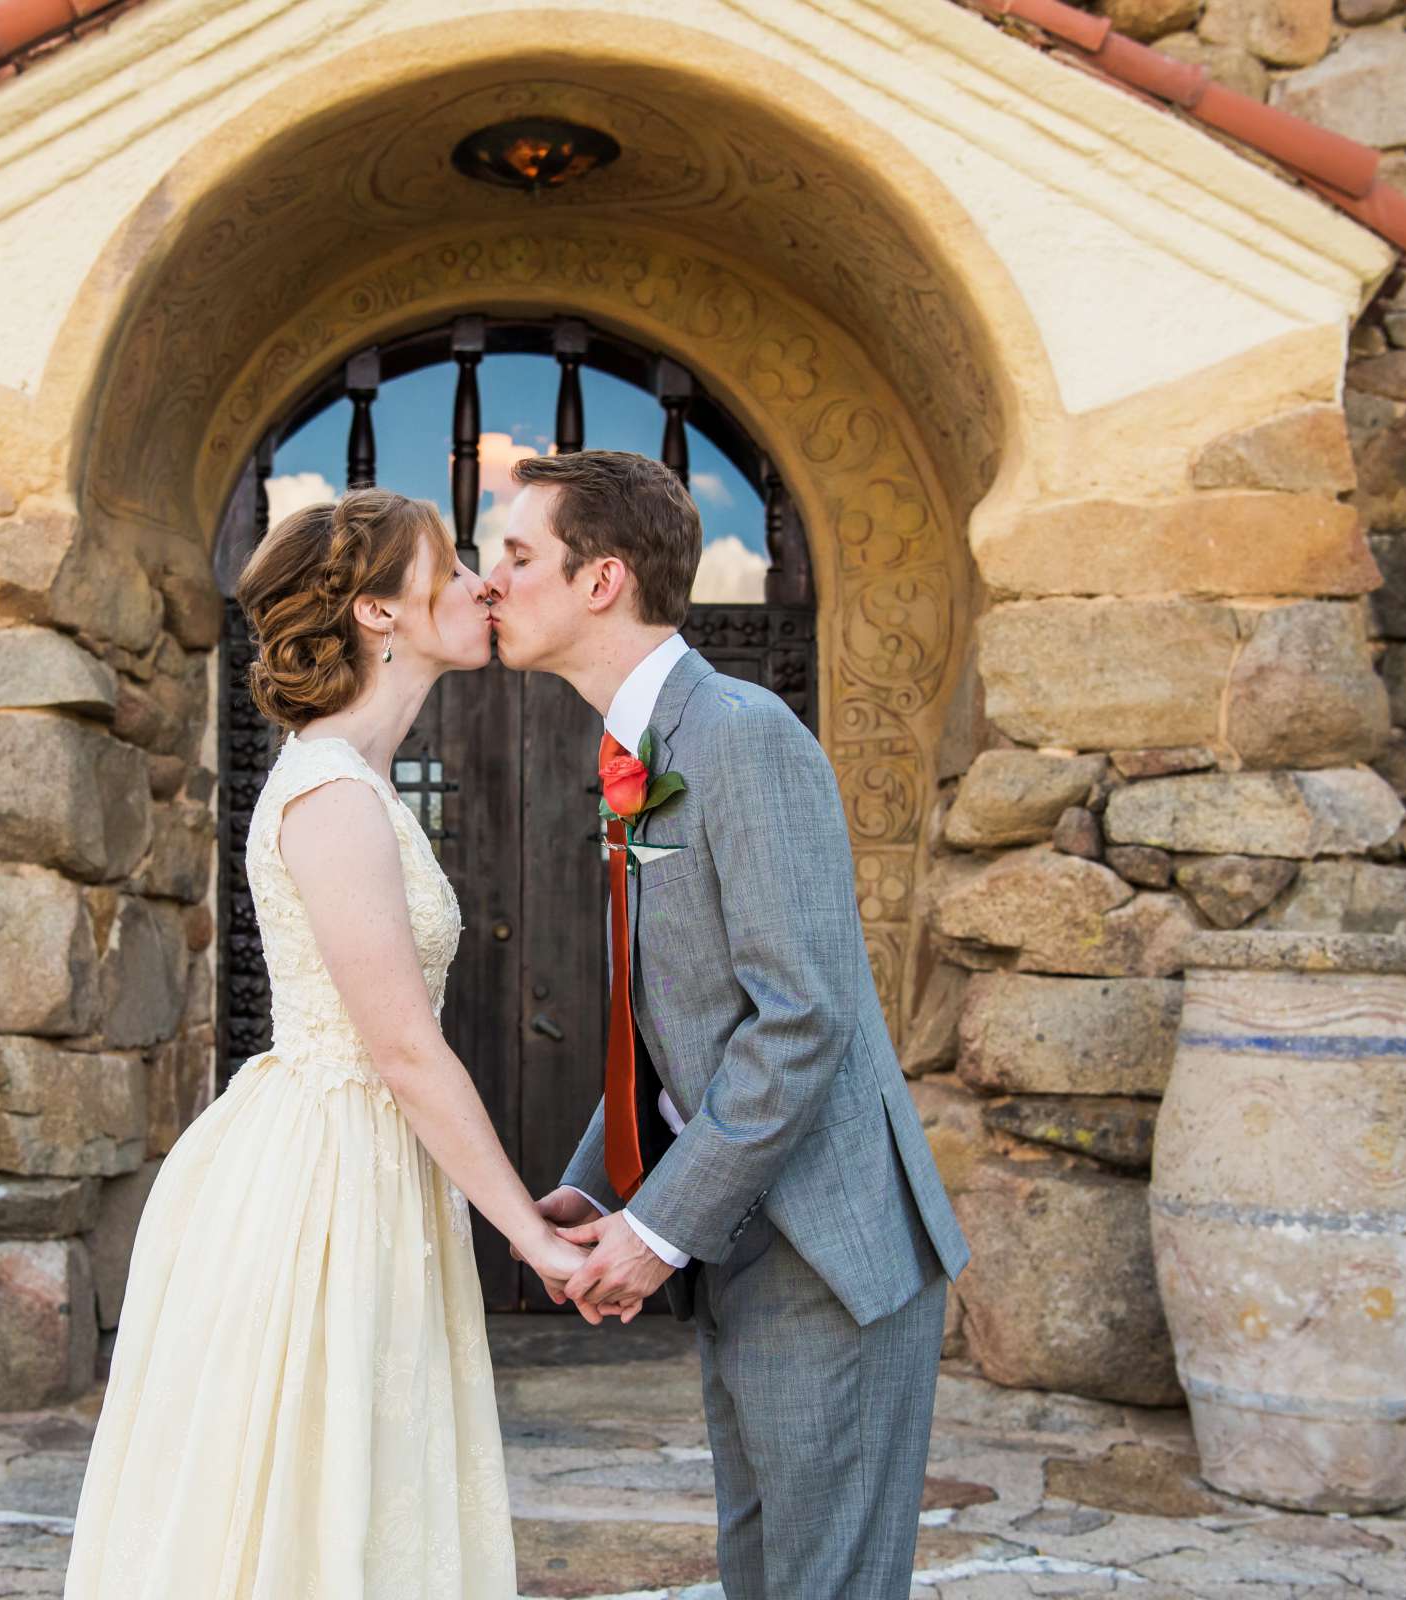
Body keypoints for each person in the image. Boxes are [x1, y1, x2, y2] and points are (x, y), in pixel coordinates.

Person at [63, 487, 584, 1599]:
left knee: (358, 1473)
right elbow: (401, 1049)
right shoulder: (331, 794)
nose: (485, 585)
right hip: (327, 1180)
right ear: (379, 612)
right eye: (452, 568)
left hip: (369, 1161)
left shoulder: (358, 784)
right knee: (312, 1475)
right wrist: (531, 1241)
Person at [481, 449, 972, 1598]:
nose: (489, 580)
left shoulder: (739, 732)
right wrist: (603, 1188)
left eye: (515, 554)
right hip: (749, 1240)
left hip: (829, 1253)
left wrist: (656, 1232)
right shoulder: (638, 752)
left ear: (600, 580)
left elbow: (802, 1019)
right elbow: (674, 1026)